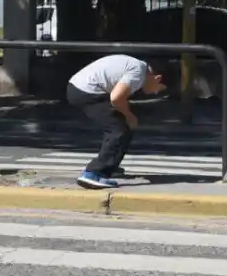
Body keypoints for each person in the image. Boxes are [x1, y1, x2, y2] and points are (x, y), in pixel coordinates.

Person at [66, 55, 166, 189]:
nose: (155, 92)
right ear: (157, 78)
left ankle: (109, 164)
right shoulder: (138, 73)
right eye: (159, 89)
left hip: (80, 87)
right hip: (86, 92)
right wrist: (129, 116)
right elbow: (116, 98)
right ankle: (94, 173)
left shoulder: (137, 66)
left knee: (119, 126)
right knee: (119, 129)